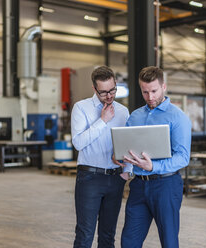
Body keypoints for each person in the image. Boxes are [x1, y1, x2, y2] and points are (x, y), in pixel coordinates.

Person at [119, 66, 192, 248]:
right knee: (128, 241)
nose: (150, 97)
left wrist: (154, 167)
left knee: (168, 241)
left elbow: (183, 157)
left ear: (163, 86)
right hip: (138, 186)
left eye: (154, 91)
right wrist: (123, 161)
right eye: (145, 92)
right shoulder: (135, 117)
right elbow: (126, 147)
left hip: (166, 185)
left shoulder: (178, 117)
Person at [71, 65, 131, 248]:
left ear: (116, 84)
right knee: (85, 234)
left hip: (115, 179)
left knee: (108, 235)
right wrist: (102, 121)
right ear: (94, 89)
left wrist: (126, 172)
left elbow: (128, 144)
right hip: (90, 178)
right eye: (103, 92)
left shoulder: (123, 111)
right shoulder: (81, 108)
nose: (109, 95)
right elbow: (78, 143)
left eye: (112, 90)